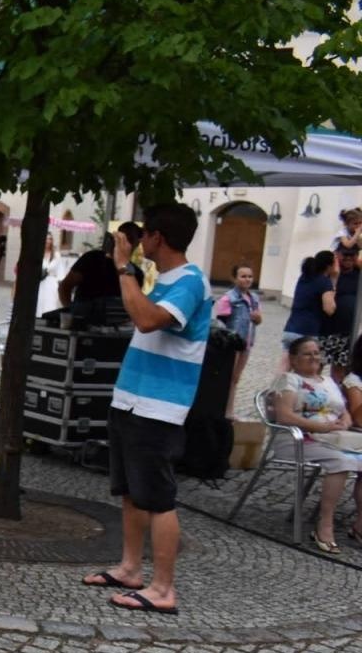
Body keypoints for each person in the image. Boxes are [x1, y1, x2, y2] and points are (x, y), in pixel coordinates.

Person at [81, 203, 211, 614]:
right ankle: (130, 568)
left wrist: (124, 268)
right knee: (131, 493)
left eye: (143, 235)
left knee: (158, 498)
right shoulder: (167, 279)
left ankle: (163, 588)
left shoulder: (190, 283)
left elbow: (147, 319)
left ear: (157, 237)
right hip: (131, 399)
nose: (137, 242)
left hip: (160, 406)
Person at [270, 337, 362, 553]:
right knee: (342, 462)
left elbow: (343, 410)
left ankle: (360, 525)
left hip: (331, 438)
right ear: (293, 358)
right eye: (307, 353)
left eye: (316, 353)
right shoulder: (289, 380)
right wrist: (320, 427)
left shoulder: (327, 381)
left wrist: (345, 421)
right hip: (299, 439)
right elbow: (284, 416)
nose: (314, 357)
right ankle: (324, 524)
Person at [214, 264, 263, 416]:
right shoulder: (228, 298)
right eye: (243, 276)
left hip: (246, 343)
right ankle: (219, 408)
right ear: (234, 278)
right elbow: (219, 323)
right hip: (232, 344)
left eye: (250, 276)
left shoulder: (254, 298)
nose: (247, 279)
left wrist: (258, 319)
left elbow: (258, 319)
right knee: (226, 377)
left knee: (235, 378)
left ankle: (229, 409)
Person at [58, 222, 143, 307]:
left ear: (137, 243)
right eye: (123, 238)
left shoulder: (137, 274)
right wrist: (69, 312)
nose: (125, 243)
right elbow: (65, 286)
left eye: (130, 239)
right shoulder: (92, 259)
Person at [286, 252, 337, 358]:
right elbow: (329, 309)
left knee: (285, 364)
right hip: (308, 331)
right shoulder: (324, 282)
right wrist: (335, 280)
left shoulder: (304, 277)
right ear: (329, 266)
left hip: (291, 328)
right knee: (304, 369)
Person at [324, 245, 357, 369]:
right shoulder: (329, 274)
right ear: (337, 255)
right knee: (316, 365)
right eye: (345, 254)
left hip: (347, 332)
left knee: (339, 368)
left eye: (352, 255)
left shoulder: (359, 274)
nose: (348, 258)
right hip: (326, 330)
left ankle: (335, 389)